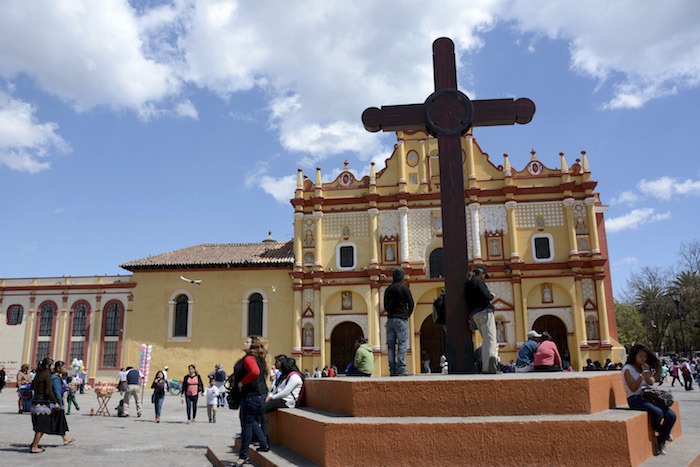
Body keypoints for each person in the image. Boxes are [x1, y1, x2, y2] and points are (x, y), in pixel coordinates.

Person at [622, 343, 676, 455]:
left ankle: (661, 440)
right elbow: (632, 388)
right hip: (634, 398)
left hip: (648, 396)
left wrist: (649, 374)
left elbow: (651, 382)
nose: (643, 358)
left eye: (645, 356)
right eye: (641, 356)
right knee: (658, 412)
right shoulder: (627, 369)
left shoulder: (643, 367)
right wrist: (641, 375)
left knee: (671, 415)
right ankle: (662, 433)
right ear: (634, 356)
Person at [234, 336, 271, 465]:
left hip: (251, 397)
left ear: (252, 346)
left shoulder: (249, 358)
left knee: (247, 426)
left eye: (247, 342)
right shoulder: (258, 359)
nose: (244, 343)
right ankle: (264, 444)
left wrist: (241, 383)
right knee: (252, 422)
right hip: (261, 396)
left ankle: (243, 456)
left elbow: (254, 372)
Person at [29, 358, 73, 453]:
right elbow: (49, 391)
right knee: (42, 425)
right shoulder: (47, 375)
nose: (53, 367)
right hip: (42, 402)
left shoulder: (38, 374)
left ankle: (34, 444)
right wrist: (55, 402)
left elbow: (32, 386)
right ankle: (34, 447)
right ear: (47, 366)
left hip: (35, 401)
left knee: (39, 425)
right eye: (52, 365)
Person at [465, 264, 499, 374]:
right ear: (482, 273)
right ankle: (491, 362)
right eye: (484, 275)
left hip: (475, 314)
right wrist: (492, 295)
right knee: (491, 339)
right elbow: (486, 296)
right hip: (485, 312)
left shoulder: (469, 284)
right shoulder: (478, 282)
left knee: (486, 339)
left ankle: (486, 366)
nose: (484, 278)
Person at [260, 357, 304, 436]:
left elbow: (285, 392)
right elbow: (277, 389)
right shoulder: (288, 376)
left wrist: (271, 397)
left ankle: (264, 436)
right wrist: (270, 396)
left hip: (288, 402)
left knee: (263, 409)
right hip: (282, 399)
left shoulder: (295, 377)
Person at [384, 267, 415, 376]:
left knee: (391, 345)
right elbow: (411, 303)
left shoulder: (388, 289)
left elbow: (385, 306)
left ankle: (392, 369)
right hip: (401, 319)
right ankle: (401, 369)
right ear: (402, 276)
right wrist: (407, 314)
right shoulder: (404, 288)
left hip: (390, 319)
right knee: (402, 344)